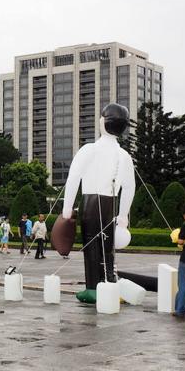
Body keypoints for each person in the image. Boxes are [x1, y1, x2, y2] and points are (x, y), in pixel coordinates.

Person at [61, 103, 136, 303]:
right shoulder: (125, 156)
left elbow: (73, 178)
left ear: (102, 122)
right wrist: (123, 215)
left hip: (91, 203)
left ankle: (93, 287)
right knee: (108, 246)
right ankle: (109, 281)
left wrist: (67, 208)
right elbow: (129, 188)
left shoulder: (90, 149)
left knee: (92, 246)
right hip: (111, 204)